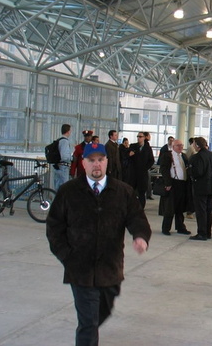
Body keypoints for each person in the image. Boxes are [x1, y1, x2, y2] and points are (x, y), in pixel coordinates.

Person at [46, 142, 151, 346]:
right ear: (83, 163)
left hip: (110, 267)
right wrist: (67, 255)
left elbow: (137, 218)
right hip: (80, 268)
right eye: (91, 160)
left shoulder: (122, 191)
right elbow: (54, 227)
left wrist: (140, 237)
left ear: (107, 162)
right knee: (89, 322)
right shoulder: (69, 192)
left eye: (100, 160)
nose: (96, 164)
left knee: (102, 312)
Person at [158, 139, 191, 236]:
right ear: (173, 147)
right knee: (169, 207)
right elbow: (164, 170)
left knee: (180, 207)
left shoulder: (184, 156)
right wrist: (168, 183)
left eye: (181, 145)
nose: (180, 147)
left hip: (182, 184)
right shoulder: (167, 156)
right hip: (172, 183)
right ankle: (166, 228)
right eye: (178, 145)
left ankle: (180, 227)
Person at [188, 137, 212, 240]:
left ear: (197, 145)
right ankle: (208, 232)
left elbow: (198, 172)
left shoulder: (197, 157)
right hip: (210, 187)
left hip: (200, 187)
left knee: (201, 211)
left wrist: (191, 173)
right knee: (208, 210)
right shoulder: (211, 155)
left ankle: (202, 233)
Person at [128, 131, 155, 208]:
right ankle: (130, 206)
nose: (139, 138)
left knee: (142, 192)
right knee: (131, 191)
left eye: (140, 137)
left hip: (142, 173)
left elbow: (151, 160)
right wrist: (129, 155)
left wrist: (145, 168)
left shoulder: (148, 148)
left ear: (144, 138)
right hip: (133, 172)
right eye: (138, 136)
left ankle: (141, 207)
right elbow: (127, 156)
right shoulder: (133, 146)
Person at [53, 124, 73, 191]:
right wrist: (71, 158)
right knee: (65, 187)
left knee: (58, 187)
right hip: (63, 167)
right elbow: (64, 156)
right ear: (68, 131)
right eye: (70, 130)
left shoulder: (59, 140)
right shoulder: (65, 141)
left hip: (58, 166)